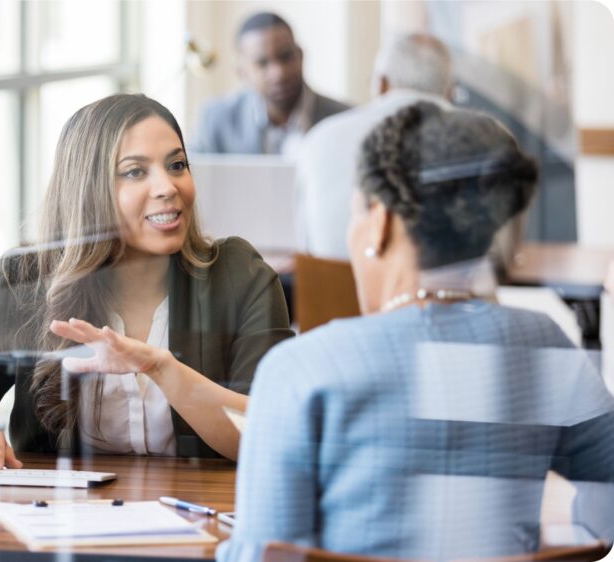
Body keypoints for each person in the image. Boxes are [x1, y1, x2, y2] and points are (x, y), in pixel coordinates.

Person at [219, 102, 614, 561]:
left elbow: (261, 556)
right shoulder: (544, 346)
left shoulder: (301, 370)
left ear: (380, 223)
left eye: (354, 214)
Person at [0, 94, 294, 469]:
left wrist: (163, 369)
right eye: (135, 172)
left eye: (176, 165)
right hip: (57, 526)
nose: (168, 187)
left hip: (204, 524)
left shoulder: (239, 275)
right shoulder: (27, 282)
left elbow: (272, 431)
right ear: (88, 190)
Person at [296, 33, 453, 260]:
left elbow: (305, 246)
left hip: (330, 292)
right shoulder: (486, 139)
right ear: (450, 92)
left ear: (381, 83)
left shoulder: (317, 139)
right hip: (442, 293)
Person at [191, 12, 349, 157]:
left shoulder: (345, 119)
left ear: (300, 55)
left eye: (286, 57)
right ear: (242, 71)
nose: (279, 73)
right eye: (262, 63)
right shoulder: (216, 120)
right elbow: (194, 179)